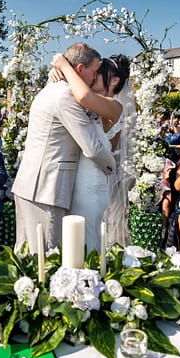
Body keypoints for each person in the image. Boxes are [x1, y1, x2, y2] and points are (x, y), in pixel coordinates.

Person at [12, 42, 116, 253]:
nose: (96, 77)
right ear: (80, 69)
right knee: (46, 257)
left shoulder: (53, 89)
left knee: (30, 255)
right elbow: (93, 148)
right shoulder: (66, 95)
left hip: (36, 186)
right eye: (94, 71)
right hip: (45, 188)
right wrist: (113, 169)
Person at [50, 53, 130, 252]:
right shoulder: (88, 101)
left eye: (99, 74)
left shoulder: (114, 106)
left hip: (91, 185)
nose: (93, 77)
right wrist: (56, 73)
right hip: (74, 181)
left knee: (86, 241)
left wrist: (64, 66)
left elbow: (84, 95)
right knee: (71, 241)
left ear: (114, 81)